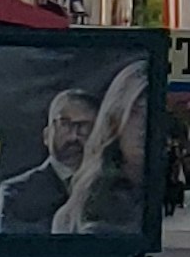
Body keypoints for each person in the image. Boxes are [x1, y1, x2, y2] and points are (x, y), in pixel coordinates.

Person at [52, 62, 156, 234]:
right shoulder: (80, 209)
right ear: (114, 119)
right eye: (136, 111)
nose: (143, 124)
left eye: (149, 111)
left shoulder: (154, 196)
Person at [0, 88, 98, 232]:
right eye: (65, 124)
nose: (74, 136)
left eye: (85, 126)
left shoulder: (116, 189)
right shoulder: (17, 192)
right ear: (46, 135)